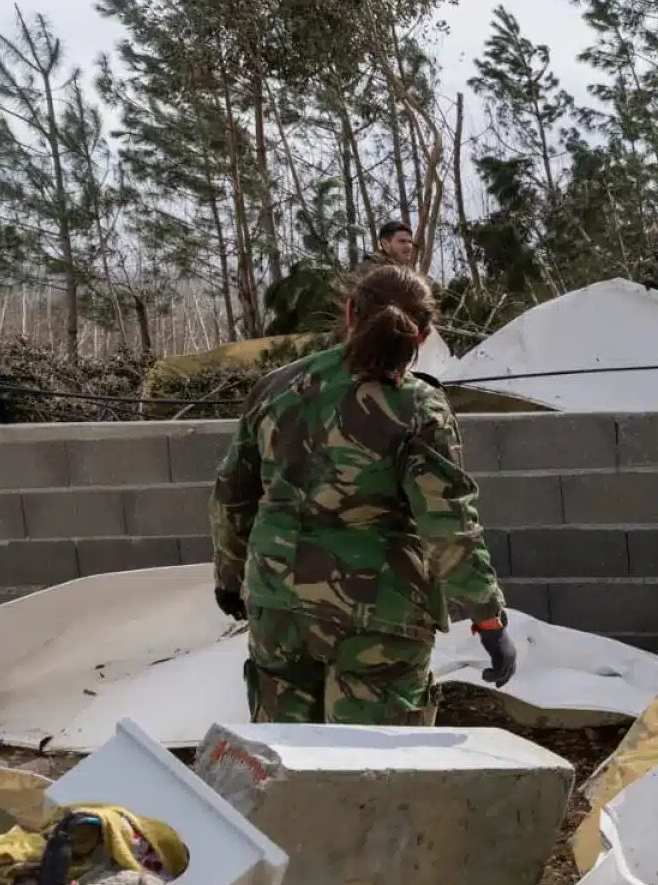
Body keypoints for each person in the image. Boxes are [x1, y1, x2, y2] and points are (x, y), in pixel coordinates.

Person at [211, 264, 516, 725]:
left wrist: (230, 579)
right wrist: (487, 618)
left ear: (350, 312)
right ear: (425, 333)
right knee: (375, 775)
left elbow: (233, 496)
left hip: (278, 607)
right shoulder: (419, 407)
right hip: (378, 613)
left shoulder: (276, 389)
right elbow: (448, 523)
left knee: (283, 768)